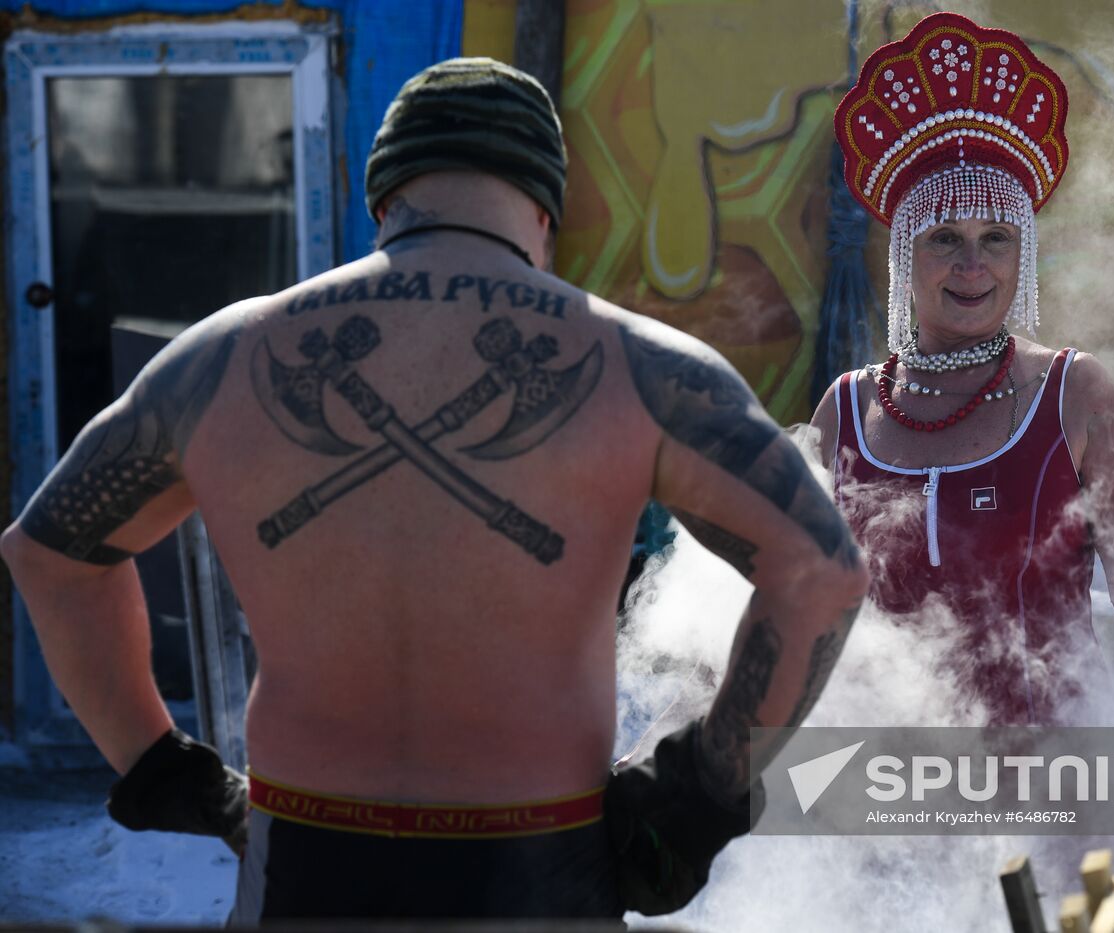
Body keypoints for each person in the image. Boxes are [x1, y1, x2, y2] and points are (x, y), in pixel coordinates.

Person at [2, 58, 868, 923]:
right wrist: (702, 798)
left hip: (304, 860)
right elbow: (820, 572)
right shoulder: (642, 368)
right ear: (541, 212)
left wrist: (161, 768)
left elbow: (47, 551)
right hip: (539, 867)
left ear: (384, 201)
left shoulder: (221, 359)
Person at [811, 13, 1114, 725]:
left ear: (1022, 255)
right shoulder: (843, 411)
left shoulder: (1075, 395)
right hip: (881, 808)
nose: (972, 264)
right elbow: (791, 617)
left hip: (1061, 802)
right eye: (944, 238)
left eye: (996, 237)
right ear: (903, 253)